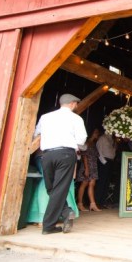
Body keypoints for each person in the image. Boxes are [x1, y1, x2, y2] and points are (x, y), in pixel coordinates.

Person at [33, 93, 87, 235]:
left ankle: (50, 224)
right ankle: (65, 212)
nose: (76, 106)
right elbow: (81, 139)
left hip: (47, 154)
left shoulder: (45, 117)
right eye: (76, 103)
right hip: (66, 154)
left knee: (51, 187)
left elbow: (36, 134)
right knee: (58, 188)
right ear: (72, 104)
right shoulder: (76, 118)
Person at [76, 128, 101, 212]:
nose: (97, 134)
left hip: (93, 166)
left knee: (92, 184)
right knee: (84, 184)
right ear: (92, 133)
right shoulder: (86, 143)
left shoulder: (94, 144)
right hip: (87, 166)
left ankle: (92, 204)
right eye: (96, 132)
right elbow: (84, 156)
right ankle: (80, 204)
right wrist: (86, 168)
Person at [96, 129, 117, 207]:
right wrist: (104, 162)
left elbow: (113, 151)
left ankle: (102, 202)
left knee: (107, 182)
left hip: (111, 161)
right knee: (101, 182)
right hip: (104, 161)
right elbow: (99, 150)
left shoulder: (112, 140)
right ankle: (97, 201)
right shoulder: (102, 138)